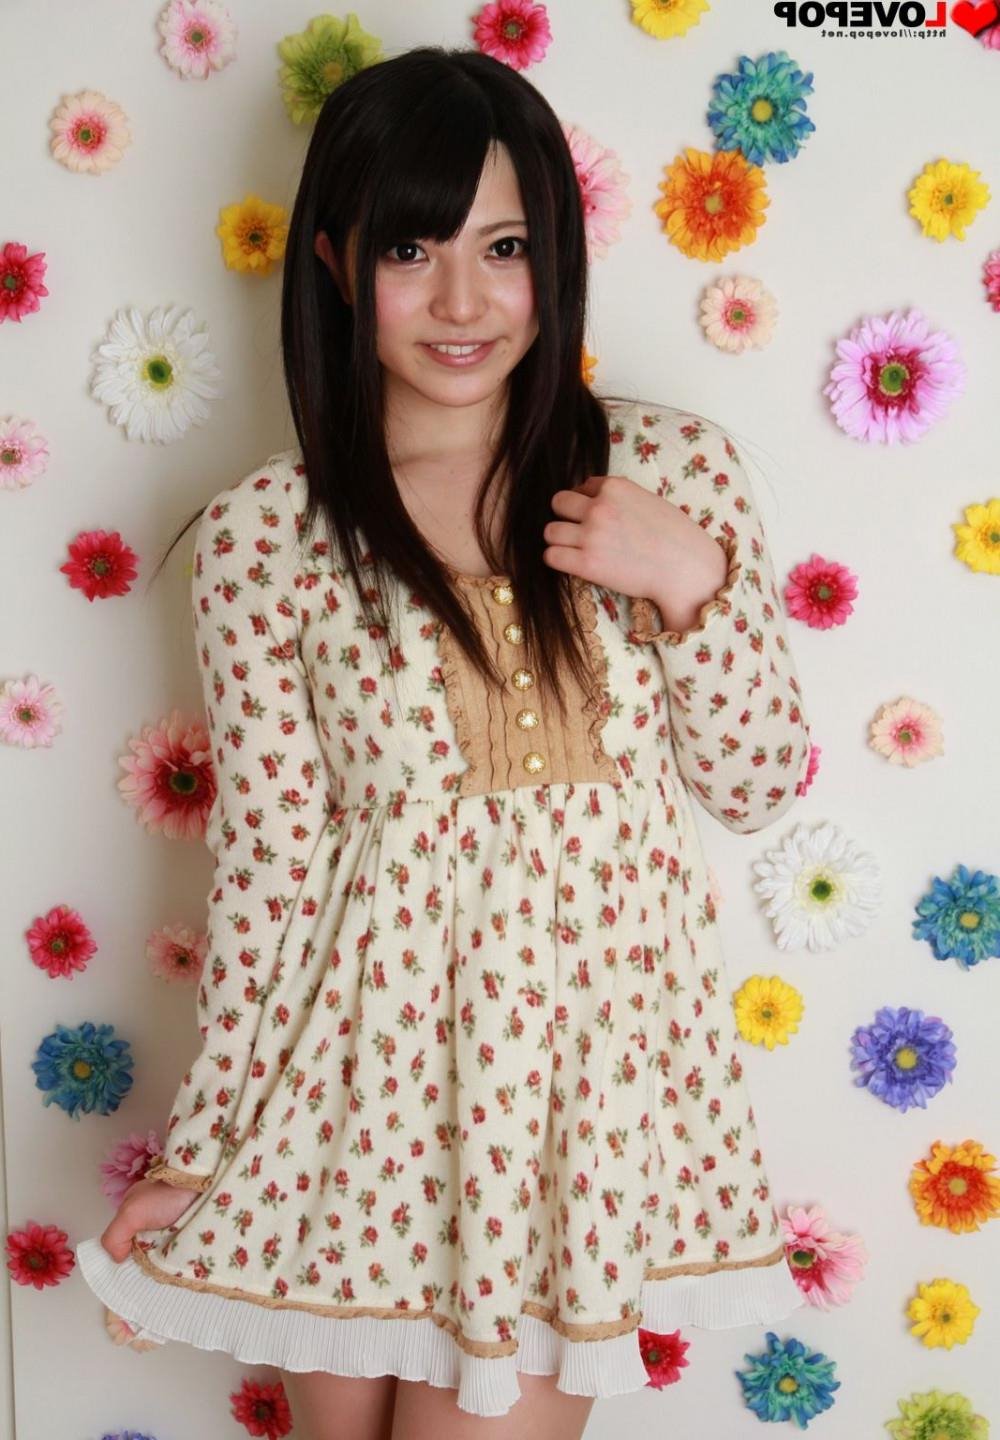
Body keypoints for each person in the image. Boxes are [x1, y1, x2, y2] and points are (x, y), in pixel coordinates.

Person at [74, 44, 813, 1440]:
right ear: (339, 263)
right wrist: (204, 1149)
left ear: (557, 257)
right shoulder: (266, 537)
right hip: (352, 1120)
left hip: (567, 1126)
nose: (463, 301)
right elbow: (272, 873)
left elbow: (757, 781)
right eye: (412, 249)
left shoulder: (670, 476)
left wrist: (690, 582)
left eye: (505, 247)